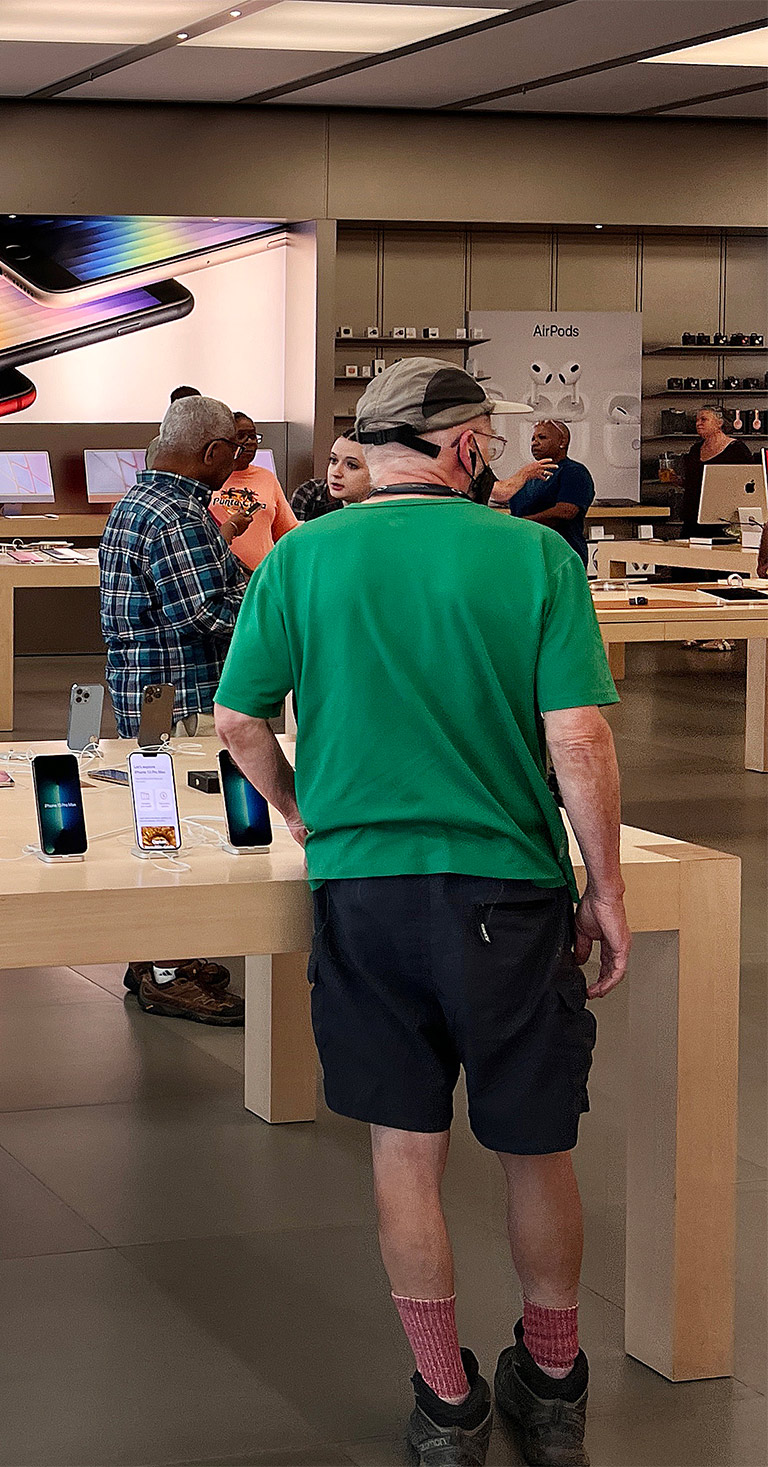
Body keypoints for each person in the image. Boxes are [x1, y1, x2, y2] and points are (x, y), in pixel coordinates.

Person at [216, 357, 620, 1467]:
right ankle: (550, 1380)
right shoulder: (533, 555)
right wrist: (607, 889)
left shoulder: (298, 558)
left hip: (365, 893)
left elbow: (238, 725)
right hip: (508, 895)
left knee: (405, 1149)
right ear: (468, 447)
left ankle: (445, 1404)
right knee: (534, 1146)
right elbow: (576, 738)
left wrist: (305, 816)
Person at [98, 394, 254, 1025]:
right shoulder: (177, 518)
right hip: (181, 699)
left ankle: (160, 958)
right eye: (232, 453)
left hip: (152, 694)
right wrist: (276, 607)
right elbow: (206, 612)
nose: (235, 465)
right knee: (178, 834)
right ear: (211, 452)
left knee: (160, 824)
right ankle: (168, 967)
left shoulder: (142, 503)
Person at [491, 420, 594, 562]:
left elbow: (565, 511)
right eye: (533, 438)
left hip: (560, 555)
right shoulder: (530, 475)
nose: (535, 443)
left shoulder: (574, 472)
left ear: (562, 442)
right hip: (528, 553)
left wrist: (522, 524)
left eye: (542, 437)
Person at [213, 412, 297, 570]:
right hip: (221, 573)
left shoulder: (267, 477)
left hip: (263, 575)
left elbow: (287, 532)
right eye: (242, 436)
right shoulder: (210, 478)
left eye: (253, 436)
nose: (250, 442)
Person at [675, 405, 754, 534]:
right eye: (697, 420)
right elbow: (693, 482)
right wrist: (677, 480)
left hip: (722, 519)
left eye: (703, 419)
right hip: (693, 516)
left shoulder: (736, 450)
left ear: (719, 423)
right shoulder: (695, 450)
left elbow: (748, 483)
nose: (698, 423)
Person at [289, 433, 372, 523]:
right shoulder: (310, 494)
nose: (336, 473)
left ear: (376, 472)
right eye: (333, 460)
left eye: (351, 465)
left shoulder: (384, 516)